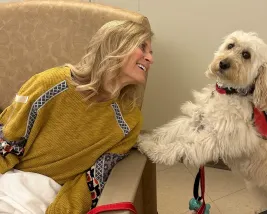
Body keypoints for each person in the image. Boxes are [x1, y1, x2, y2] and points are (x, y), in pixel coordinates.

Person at [0, 20, 154, 213]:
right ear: (115, 44)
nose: (150, 59)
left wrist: (61, 211)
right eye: (142, 47)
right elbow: (7, 140)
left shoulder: (129, 121)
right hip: (8, 179)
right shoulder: (49, 84)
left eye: (151, 52)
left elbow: (93, 180)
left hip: (47, 195)